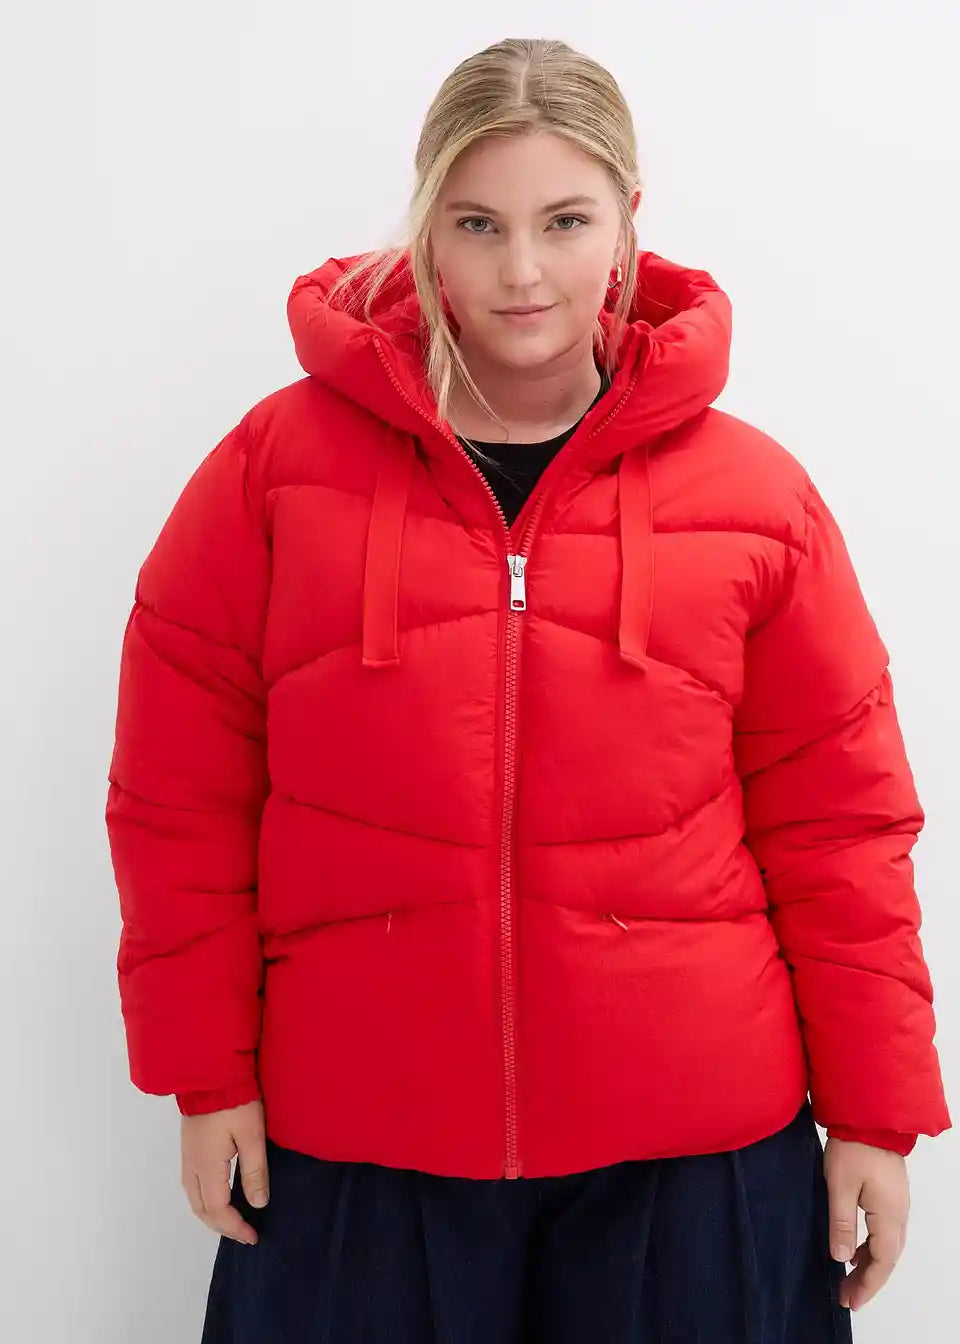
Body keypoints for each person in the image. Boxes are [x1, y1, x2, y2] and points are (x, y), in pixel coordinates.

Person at [104, 36, 951, 1344]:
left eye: (564, 221)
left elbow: (840, 824)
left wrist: (877, 1116)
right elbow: (178, 801)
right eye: (477, 224)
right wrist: (203, 1075)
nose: (520, 272)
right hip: (361, 1154)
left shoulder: (754, 497)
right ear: (424, 228)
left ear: (626, 225)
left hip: (695, 1160)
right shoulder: (274, 473)